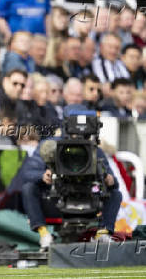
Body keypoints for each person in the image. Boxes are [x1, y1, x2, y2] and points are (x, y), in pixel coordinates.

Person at [21, 104, 122, 250]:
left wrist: (110, 180)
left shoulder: (95, 150)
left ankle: (103, 234)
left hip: (89, 200)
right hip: (58, 200)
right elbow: (27, 173)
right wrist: (43, 176)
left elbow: (114, 185)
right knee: (29, 187)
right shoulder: (50, 145)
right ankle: (44, 235)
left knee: (115, 194)